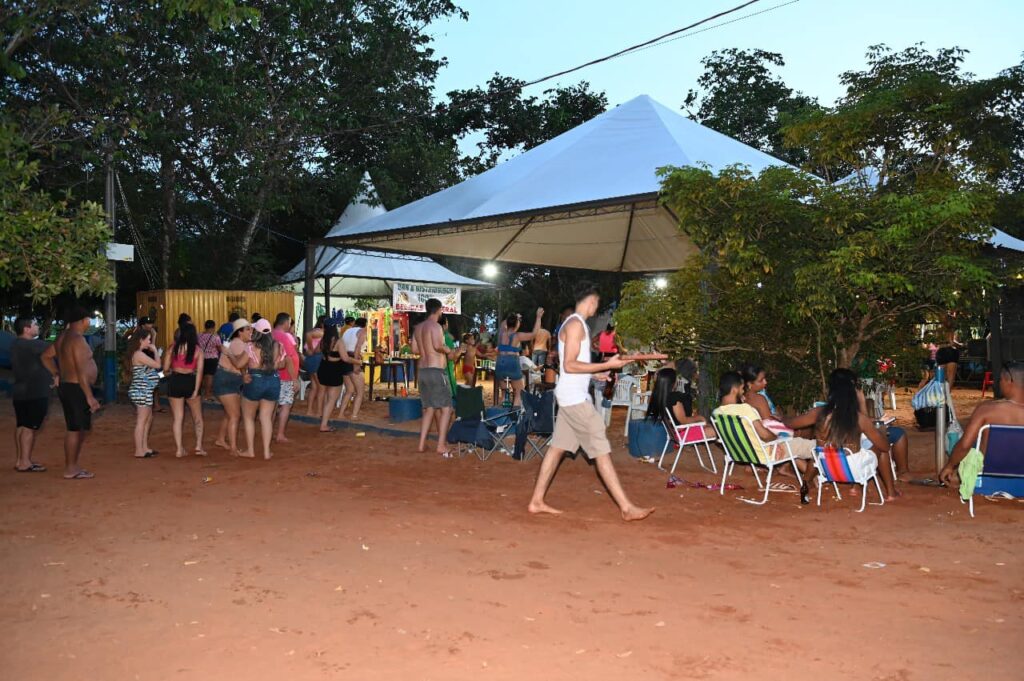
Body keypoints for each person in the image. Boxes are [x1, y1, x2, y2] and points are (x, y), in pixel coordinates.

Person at [527, 283, 653, 521]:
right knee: (601, 449)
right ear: (590, 300)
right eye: (596, 301)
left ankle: (536, 501)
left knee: (556, 451)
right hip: (575, 400)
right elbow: (569, 365)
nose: (597, 306)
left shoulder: (575, 324)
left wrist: (595, 374)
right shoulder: (575, 324)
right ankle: (626, 507)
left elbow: (574, 365)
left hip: (570, 395)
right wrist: (607, 364)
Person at [785, 368, 899, 501]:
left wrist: (780, 418)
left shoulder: (819, 412)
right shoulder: (858, 418)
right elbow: (885, 447)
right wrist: (882, 431)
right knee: (879, 447)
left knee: (819, 450)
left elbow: (791, 423)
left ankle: (807, 485)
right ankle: (891, 493)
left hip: (826, 468)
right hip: (854, 471)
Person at [716, 371, 817, 500]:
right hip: (766, 453)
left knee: (794, 446)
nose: (743, 393)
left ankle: (812, 478)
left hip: (741, 454)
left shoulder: (717, 413)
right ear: (735, 390)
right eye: (742, 389)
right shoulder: (745, 410)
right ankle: (827, 472)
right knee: (814, 446)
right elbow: (765, 435)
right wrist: (778, 441)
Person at [940, 360, 1024, 485]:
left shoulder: (987, 410)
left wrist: (949, 466)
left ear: (1008, 381)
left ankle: (962, 476)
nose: (999, 383)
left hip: (988, 478)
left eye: (1000, 379)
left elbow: (964, 446)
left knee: (968, 441)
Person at [40, 307, 99, 479]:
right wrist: (89, 396)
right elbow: (81, 371)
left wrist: (56, 373)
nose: (90, 322)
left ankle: (72, 466)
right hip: (77, 388)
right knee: (75, 430)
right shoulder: (77, 340)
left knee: (76, 428)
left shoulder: (62, 338)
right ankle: (71, 468)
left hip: (68, 386)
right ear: (83, 321)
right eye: (89, 319)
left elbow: (45, 356)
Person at [412, 299, 464, 457]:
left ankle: (421, 444)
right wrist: (447, 349)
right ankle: (441, 445)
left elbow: (414, 349)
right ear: (439, 310)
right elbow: (437, 346)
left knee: (429, 408)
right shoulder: (435, 327)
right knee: (447, 408)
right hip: (436, 371)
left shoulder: (418, 328)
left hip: (422, 371)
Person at [12, 317, 54, 472]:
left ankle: (21, 459)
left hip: (20, 392)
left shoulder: (16, 344)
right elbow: (55, 348)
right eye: (35, 324)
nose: (38, 327)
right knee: (30, 428)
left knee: (22, 426)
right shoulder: (33, 345)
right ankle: (25, 463)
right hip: (35, 392)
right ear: (26, 329)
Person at [241, 318, 283, 459]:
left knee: (248, 417)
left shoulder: (251, 346)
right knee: (266, 417)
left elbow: (240, 363)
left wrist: (229, 355)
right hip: (273, 380)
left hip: (255, 379)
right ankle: (266, 452)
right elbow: (280, 365)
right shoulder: (277, 345)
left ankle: (251, 451)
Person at [163, 322, 206, 457]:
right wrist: (195, 390)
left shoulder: (172, 348)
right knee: (197, 417)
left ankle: (179, 449)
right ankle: (198, 446)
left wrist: (172, 371)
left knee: (178, 418)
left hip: (175, 381)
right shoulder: (198, 350)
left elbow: (164, 370)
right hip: (190, 381)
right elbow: (200, 372)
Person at [213, 318, 252, 455]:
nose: (250, 332)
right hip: (227, 379)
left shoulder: (240, 343)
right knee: (235, 415)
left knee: (229, 414)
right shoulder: (238, 343)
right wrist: (245, 375)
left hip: (230, 379)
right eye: (247, 329)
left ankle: (221, 439)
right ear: (239, 332)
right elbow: (239, 364)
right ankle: (233, 448)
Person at [644, 367, 715, 440]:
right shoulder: (674, 398)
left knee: (711, 427)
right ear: (673, 382)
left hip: (672, 432)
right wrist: (700, 418)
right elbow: (684, 421)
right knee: (716, 430)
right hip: (681, 434)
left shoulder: (657, 397)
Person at [126, 328, 162, 458]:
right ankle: (139, 450)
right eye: (148, 339)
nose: (150, 341)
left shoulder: (139, 354)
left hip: (144, 390)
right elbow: (158, 365)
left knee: (147, 419)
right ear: (141, 340)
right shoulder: (139, 355)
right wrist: (156, 351)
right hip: (141, 391)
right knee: (142, 420)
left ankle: (144, 447)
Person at [496, 309, 543, 406]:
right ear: (517, 324)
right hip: (512, 363)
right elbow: (534, 334)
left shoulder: (501, 333)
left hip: (500, 363)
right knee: (518, 392)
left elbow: (502, 323)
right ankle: (515, 417)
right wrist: (538, 317)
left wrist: (513, 317)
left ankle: (501, 417)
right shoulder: (517, 336)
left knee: (504, 393)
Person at [317, 323, 352, 432]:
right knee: (332, 399)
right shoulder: (338, 341)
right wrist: (357, 361)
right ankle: (324, 425)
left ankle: (324, 418)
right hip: (334, 370)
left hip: (323, 368)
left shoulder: (323, 341)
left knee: (328, 397)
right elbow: (345, 358)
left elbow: (318, 352)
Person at [272, 312, 301, 442]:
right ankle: (280, 434)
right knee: (285, 405)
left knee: (273, 405)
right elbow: (289, 357)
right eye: (289, 322)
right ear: (285, 323)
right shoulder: (284, 336)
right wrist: (294, 379)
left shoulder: (271, 334)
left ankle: (270, 430)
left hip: (274, 376)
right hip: (285, 376)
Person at [338, 317, 367, 419]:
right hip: (353, 359)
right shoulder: (362, 331)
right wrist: (356, 364)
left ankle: (341, 414)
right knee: (360, 391)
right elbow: (357, 348)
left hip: (344, 359)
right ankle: (354, 415)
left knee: (349, 390)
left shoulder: (347, 331)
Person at [303, 316, 326, 417]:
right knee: (321, 387)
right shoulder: (321, 332)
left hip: (311, 360)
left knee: (314, 387)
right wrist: (312, 349)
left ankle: (309, 411)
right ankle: (319, 412)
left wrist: (311, 348)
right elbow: (308, 334)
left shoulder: (317, 331)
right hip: (316, 359)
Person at [197, 320, 223, 400]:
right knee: (210, 376)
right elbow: (220, 348)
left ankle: (200, 393)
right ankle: (207, 394)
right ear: (213, 327)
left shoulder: (199, 336)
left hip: (201, 358)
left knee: (202, 376)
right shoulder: (215, 337)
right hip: (212, 359)